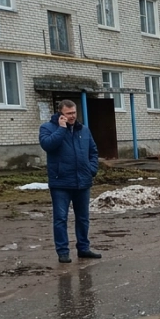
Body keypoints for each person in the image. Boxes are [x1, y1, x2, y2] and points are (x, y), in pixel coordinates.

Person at [38, 99, 102, 263]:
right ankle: (63, 252)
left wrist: (91, 169)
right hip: (61, 182)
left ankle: (83, 248)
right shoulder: (47, 128)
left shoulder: (84, 130)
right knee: (60, 218)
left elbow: (93, 151)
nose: (73, 116)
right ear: (61, 114)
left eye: (74, 112)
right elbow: (47, 145)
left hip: (83, 181)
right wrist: (61, 129)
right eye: (69, 113)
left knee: (83, 218)